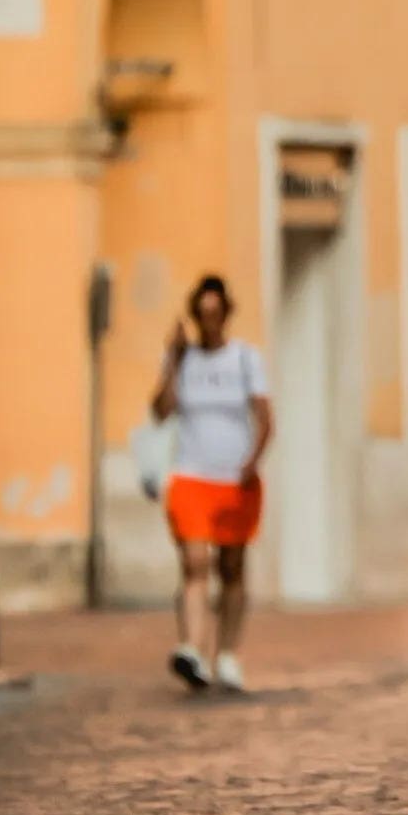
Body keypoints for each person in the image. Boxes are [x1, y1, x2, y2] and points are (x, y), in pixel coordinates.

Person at [151, 275, 274, 689]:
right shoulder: (183, 361)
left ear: (226, 314)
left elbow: (265, 418)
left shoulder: (244, 359)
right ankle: (191, 649)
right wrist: (171, 359)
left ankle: (226, 654)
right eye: (202, 315)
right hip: (191, 476)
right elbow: (160, 411)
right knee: (194, 563)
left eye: (215, 314)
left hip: (234, 479)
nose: (209, 322)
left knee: (231, 568)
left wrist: (252, 460)